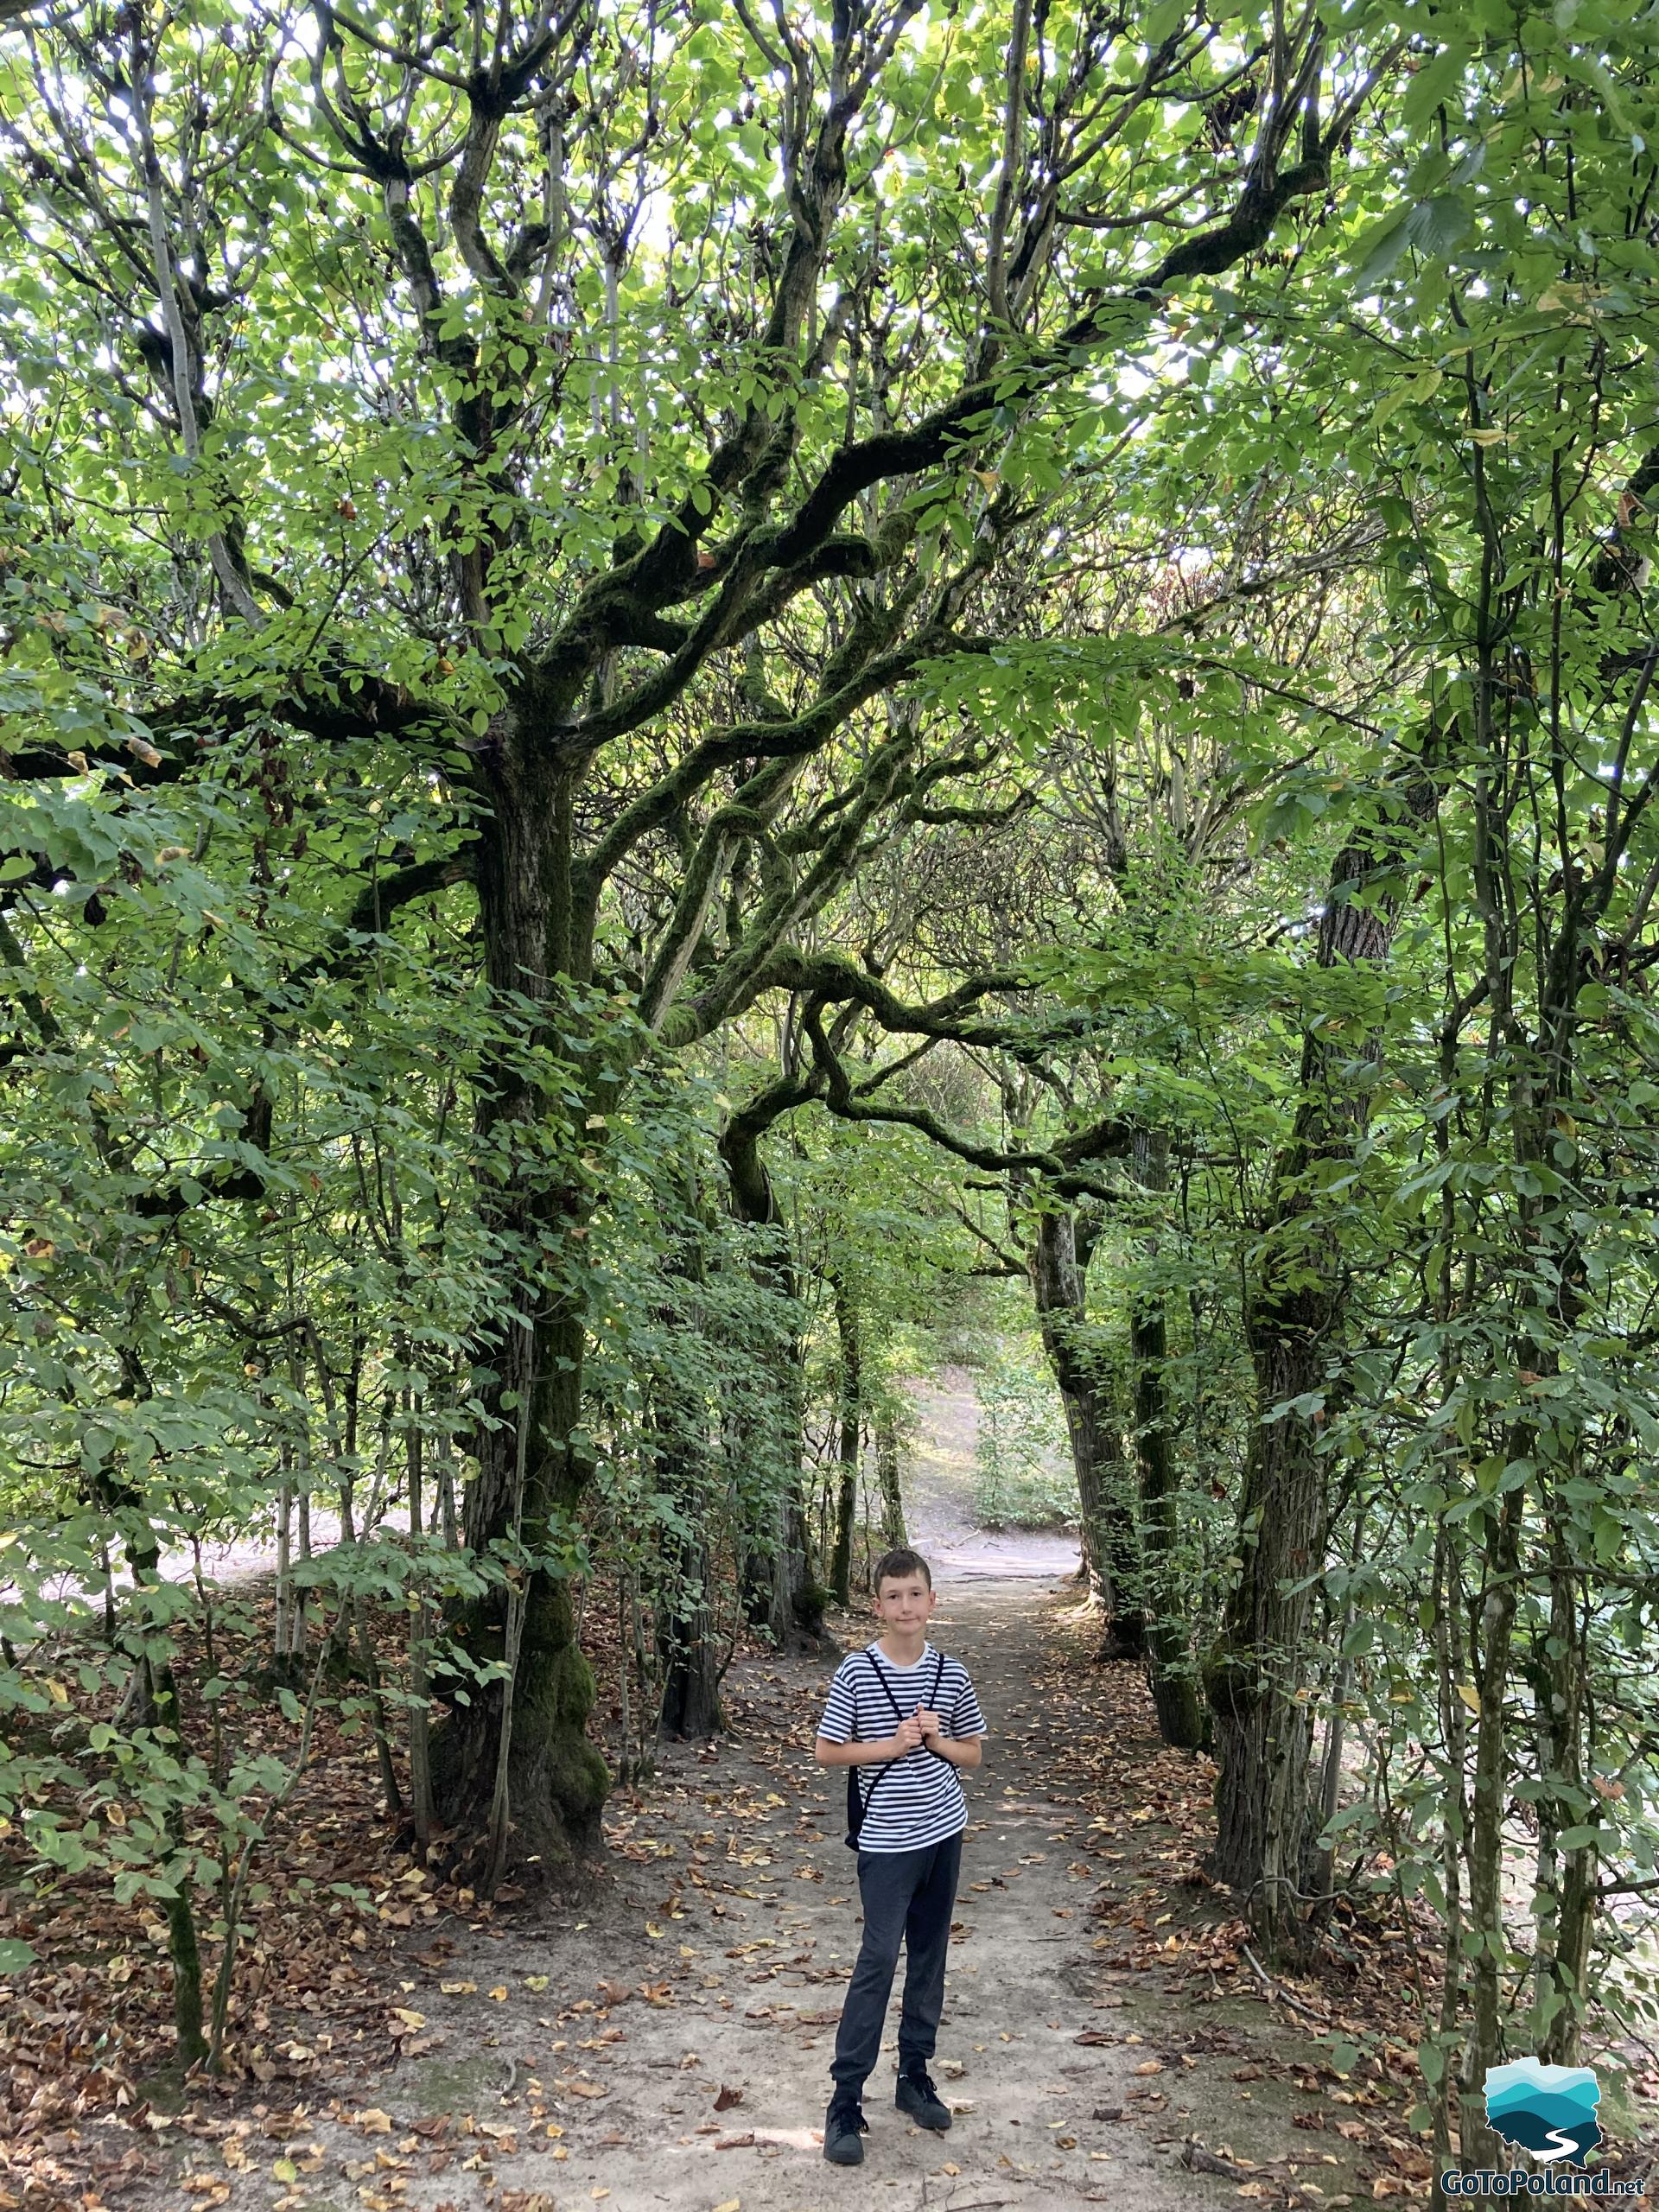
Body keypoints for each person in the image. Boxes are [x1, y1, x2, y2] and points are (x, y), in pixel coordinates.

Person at [812, 1546, 986, 2168]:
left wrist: (937, 1740)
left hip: (943, 1834)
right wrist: (889, 1745)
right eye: (893, 1596)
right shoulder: (857, 1673)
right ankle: (845, 2102)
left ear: (931, 1601)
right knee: (879, 1957)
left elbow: (973, 1754)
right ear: (878, 1605)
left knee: (930, 1956)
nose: (905, 1606)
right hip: (886, 1843)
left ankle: (914, 2076)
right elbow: (827, 1753)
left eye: (915, 1594)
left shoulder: (952, 1673)